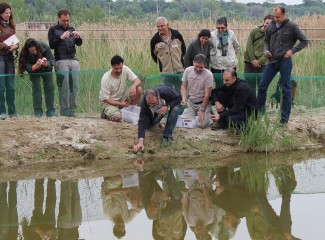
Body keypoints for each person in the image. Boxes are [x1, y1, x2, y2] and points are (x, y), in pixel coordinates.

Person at [257, 5, 308, 127]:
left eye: (278, 17)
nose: (276, 19)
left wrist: (292, 51)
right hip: (272, 61)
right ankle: (260, 113)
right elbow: (266, 41)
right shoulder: (271, 26)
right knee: (262, 86)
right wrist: (266, 50)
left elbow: (305, 41)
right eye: (274, 16)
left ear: (284, 15)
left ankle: (284, 119)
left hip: (285, 62)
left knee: (286, 89)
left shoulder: (292, 26)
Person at [48, 9, 82, 117]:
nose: (66, 23)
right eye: (64, 20)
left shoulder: (72, 29)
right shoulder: (53, 30)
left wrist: (78, 37)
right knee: (64, 86)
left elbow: (79, 43)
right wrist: (61, 38)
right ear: (59, 18)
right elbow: (52, 45)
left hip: (73, 59)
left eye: (67, 20)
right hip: (61, 60)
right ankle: (64, 110)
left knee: (75, 86)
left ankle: (72, 110)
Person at [133, 85, 181, 152]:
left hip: (170, 104)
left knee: (175, 110)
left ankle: (166, 137)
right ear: (146, 99)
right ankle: (156, 121)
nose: (151, 106)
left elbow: (179, 98)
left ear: (158, 98)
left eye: (153, 103)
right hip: (159, 108)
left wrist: (168, 107)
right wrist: (140, 142)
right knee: (149, 125)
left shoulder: (165, 91)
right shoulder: (144, 101)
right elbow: (142, 120)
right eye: (149, 104)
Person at [18, 38, 56, 118]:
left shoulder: (44, 46)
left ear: (38, 47)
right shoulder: (24, 53)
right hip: (34, 70)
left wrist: (46, 64)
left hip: (46, 69)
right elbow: (27, 67)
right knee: (36, 89)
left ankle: (51, 111)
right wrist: (35, 66)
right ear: (28, 50)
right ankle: (37, 111)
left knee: (49, 88)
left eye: (35, 50)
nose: (34, 52)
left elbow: (52, 60)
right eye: (32, 51)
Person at [99, 55, 142, 122]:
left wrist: (133, 86)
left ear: (122, 65)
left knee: (138, 89)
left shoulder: (125, 69)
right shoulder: (105, 78)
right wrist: (120, 104)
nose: (119, 70)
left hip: (122, 98)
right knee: (118, 118)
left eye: (120, 68)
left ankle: (129, 109)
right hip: (109, 103)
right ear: (112, 66)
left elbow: (138, 81)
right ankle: (106, 113)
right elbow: (106, 99)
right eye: (116, 68)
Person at [150, 16, 186, 92]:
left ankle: (181, 104)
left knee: (180, 92)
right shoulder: (155, 40)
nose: (160, 28)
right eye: (158, 26)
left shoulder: (177, 35)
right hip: (165, 73)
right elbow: (154, 56)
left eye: (162, 26)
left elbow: (183, 50)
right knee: (166, 93)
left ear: (168, 25)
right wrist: (163, 64)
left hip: (179, 71)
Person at [181, 54, 213, 129]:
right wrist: (184, 99)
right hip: (191, 102)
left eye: (201, 67)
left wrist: (202, 110)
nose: (198, 69)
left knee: (201, 124)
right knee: (184, 122)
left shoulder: (208, 75)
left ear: (205, 65)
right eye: (196, 66)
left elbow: (207, 94)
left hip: (203, 102)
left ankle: (208, 116)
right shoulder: (187, 70)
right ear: (193, 63)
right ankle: (202, 116)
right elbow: (183, 86)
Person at [243, 14, 273, 92]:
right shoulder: (254, 31)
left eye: (270, 23)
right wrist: (253, 60)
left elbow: (270, 51)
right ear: (263, 22)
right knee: (249, 86)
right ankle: (251, 103)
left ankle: (260, 103)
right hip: (249, 62)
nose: (268, 25)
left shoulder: (273, 35)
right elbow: (249, 46)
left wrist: (259, 61)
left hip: (263, 64)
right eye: (267, 23)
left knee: (262, 86)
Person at [0, 3, 19, 120]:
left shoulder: (12, 26)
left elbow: (16, 41)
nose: (8, 14)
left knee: (11, 86)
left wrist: (16, 46)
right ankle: (2, 111)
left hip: (10, 58)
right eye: (6, 12)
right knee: (1, 86)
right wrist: (8, 47)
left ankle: (12, 111)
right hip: (1, 57)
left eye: (9, 12)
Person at [209, 16, 240, 88]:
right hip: (216, 66)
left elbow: (237, 47)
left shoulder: (231, 34)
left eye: (222, 28)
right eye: (218, 28)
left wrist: (231, 56)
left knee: (231, 85)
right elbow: (208, 47)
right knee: (219, 87)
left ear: (226, 26)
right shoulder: (212, 35)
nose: (220, 29)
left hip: (230, 65)